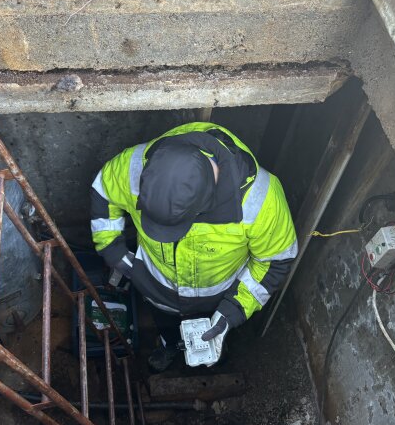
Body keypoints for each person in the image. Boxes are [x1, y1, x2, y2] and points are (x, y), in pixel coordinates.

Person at [90, 122, 297, 372]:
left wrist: (232, 311)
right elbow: (104, 190)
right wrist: (113, 249)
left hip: (218, 299)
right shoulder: (135, 165)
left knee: (213, 333)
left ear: (204, 204)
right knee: (166, 324)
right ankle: (169, 345)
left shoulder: (261, 201)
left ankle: (220, 350)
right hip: (156, 290)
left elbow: (274, 262)